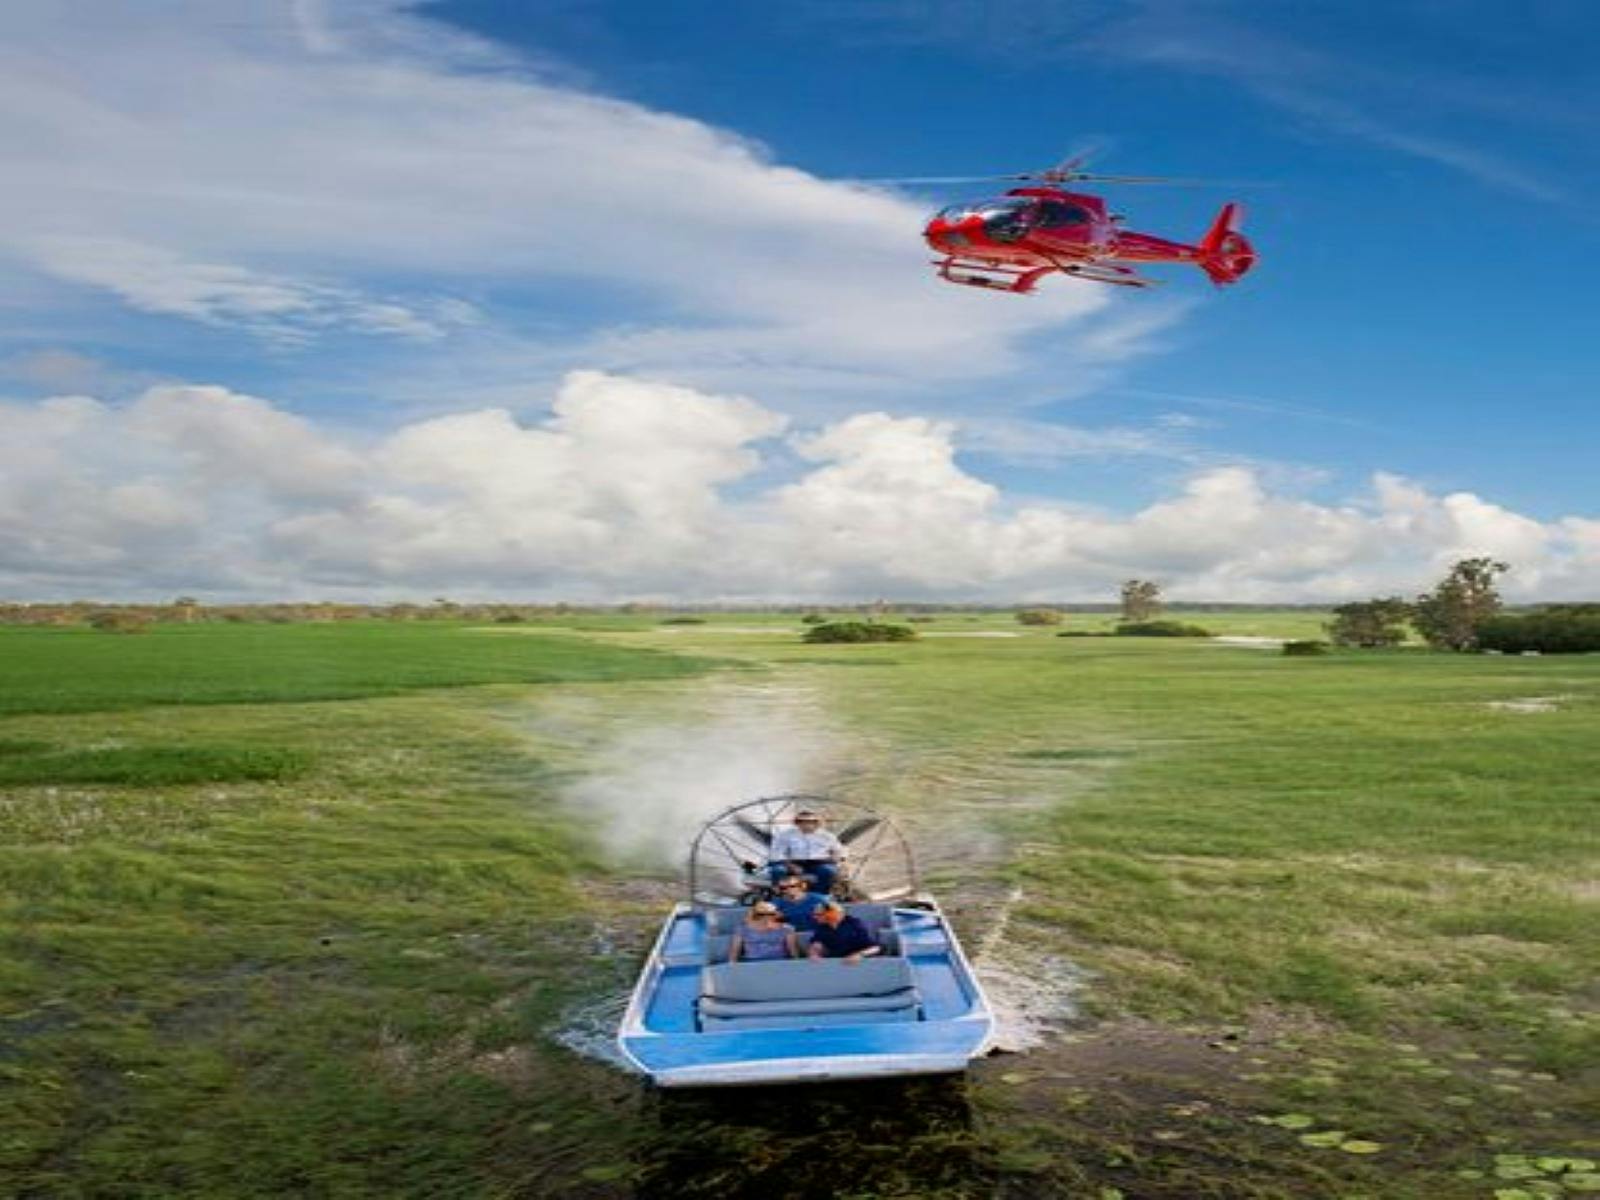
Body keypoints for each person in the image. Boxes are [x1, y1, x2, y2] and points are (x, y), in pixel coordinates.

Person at [767, 808, 843, 894]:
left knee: (828, 870)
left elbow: (838, 851)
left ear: (817, 822)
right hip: (793, 862)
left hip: (819, 863)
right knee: (778, 870)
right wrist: (791, 866)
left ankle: (819, 896)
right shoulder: (785, 835)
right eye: (802, 821)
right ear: (797, 823)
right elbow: (777, 854)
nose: (806, 824)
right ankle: (780, 895)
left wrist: (837, 861)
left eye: (811, 821)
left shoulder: (827, 836)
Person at [806, 899, 880, 965]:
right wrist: (814, 953)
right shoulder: (822, 926)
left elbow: (875, 948)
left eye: (819, 915)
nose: (815, 917)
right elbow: (816, 943)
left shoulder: (854, 924)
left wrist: (859, 955)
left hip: (859, 963)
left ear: (831, 913)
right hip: (836, 963)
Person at [728, 902, 799, 963]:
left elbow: (793, 951)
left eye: (770, 914)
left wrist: (796, 964)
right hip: (752, 961)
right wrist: (732, 967)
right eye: (761, 914)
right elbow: (734, 952)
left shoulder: (787, 928)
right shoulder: (742, 929)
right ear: (755, 915)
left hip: (779, 960)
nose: (765, 917)